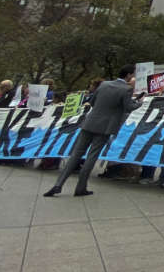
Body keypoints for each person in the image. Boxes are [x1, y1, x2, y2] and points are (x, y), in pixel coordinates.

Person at [43, 64, 141, 198]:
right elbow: (129, 107)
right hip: (105, 127)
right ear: (129, 75)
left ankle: (58, 184)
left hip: (90, 122)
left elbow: (93, 102)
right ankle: (80, 187)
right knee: (91, 156)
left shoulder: (104, 84)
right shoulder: (127, 89)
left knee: (76, 154)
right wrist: (140, 102)